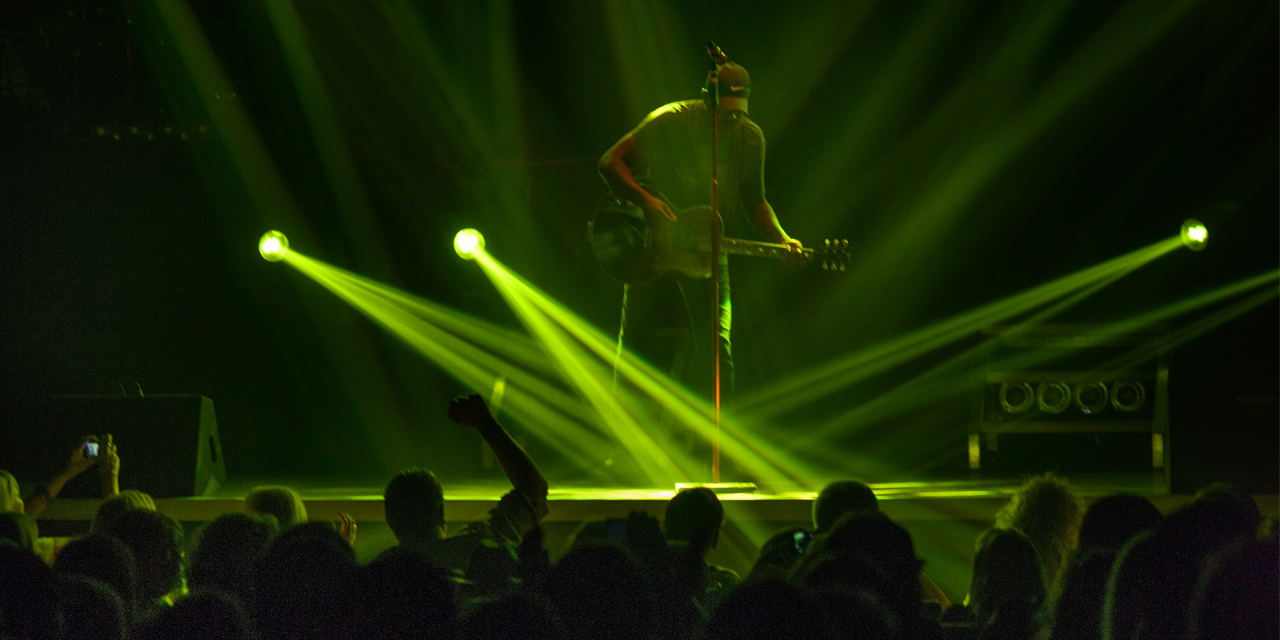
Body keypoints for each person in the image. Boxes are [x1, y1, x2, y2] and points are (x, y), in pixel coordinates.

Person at [598, 59, 802, 408]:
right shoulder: (672, 119)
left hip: (706, 250)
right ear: (708, 100)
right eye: (724, 114)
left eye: (738, 114)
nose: (731, 121)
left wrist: (781, 238)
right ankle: (622, 446)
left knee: (716, 346)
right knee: (634, 343)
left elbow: (754, 200)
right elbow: (610, 161)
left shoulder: (750, 139)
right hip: (653, 246)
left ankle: (717, 443)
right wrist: (647, 202)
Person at [380, 394, 548, 584]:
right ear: (441, 512)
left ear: (390, 521)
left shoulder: (376, 579)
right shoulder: (480, 549)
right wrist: (487, 425)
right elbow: (534, 488)